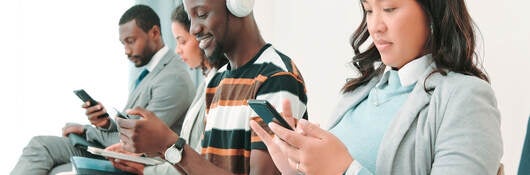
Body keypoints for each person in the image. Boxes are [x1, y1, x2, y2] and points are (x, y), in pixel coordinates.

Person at [250, 0, 503, 174]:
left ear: (432, 10)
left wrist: (344, 169)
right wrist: (296, 167)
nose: (375, 26)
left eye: (390, 8)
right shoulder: (358, 92)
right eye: (369, 10)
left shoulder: (466, 98)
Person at [114, 0, 308, 174]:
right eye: (191, 19)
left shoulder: (276, 78)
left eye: (202, 14)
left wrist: (169, 143)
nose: (193, 30)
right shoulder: (217, 81)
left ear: (239, 5)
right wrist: (162, 148)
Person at [10, 4, 196, 175]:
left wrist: (87, 131)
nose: (126, 50)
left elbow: (138, 139)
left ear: (154, 33)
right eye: (123, 43)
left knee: (56, 166)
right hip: (116, 149)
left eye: (130, 41)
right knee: (40, 145)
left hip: (137, 161)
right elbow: (131, 124)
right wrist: (106, 123)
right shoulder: (149, 72)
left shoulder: (174, 78)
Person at [106, 5, 228, 174]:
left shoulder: (209, 86)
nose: (177, 49)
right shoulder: (206, 84)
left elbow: (196, 158)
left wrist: (146, 169)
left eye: (182, 41)